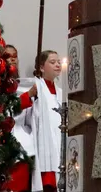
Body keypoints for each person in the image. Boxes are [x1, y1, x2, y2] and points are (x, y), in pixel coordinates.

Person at [23, 50, 63, 192]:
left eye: (58, 62)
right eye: (52, 62)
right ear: (41, 67)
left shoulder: (61, 92)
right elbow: (19, 112)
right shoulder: (35, 86)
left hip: (60, 143)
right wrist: (30, 95)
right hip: (44, 144)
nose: (57, 65)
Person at [0, 45, 36, 192]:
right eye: (8, 56)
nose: (13, 59)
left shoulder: (24, 85)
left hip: (26, 146)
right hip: (6, 148)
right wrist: (27, 97)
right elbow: (6, 113)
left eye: (15, 55)